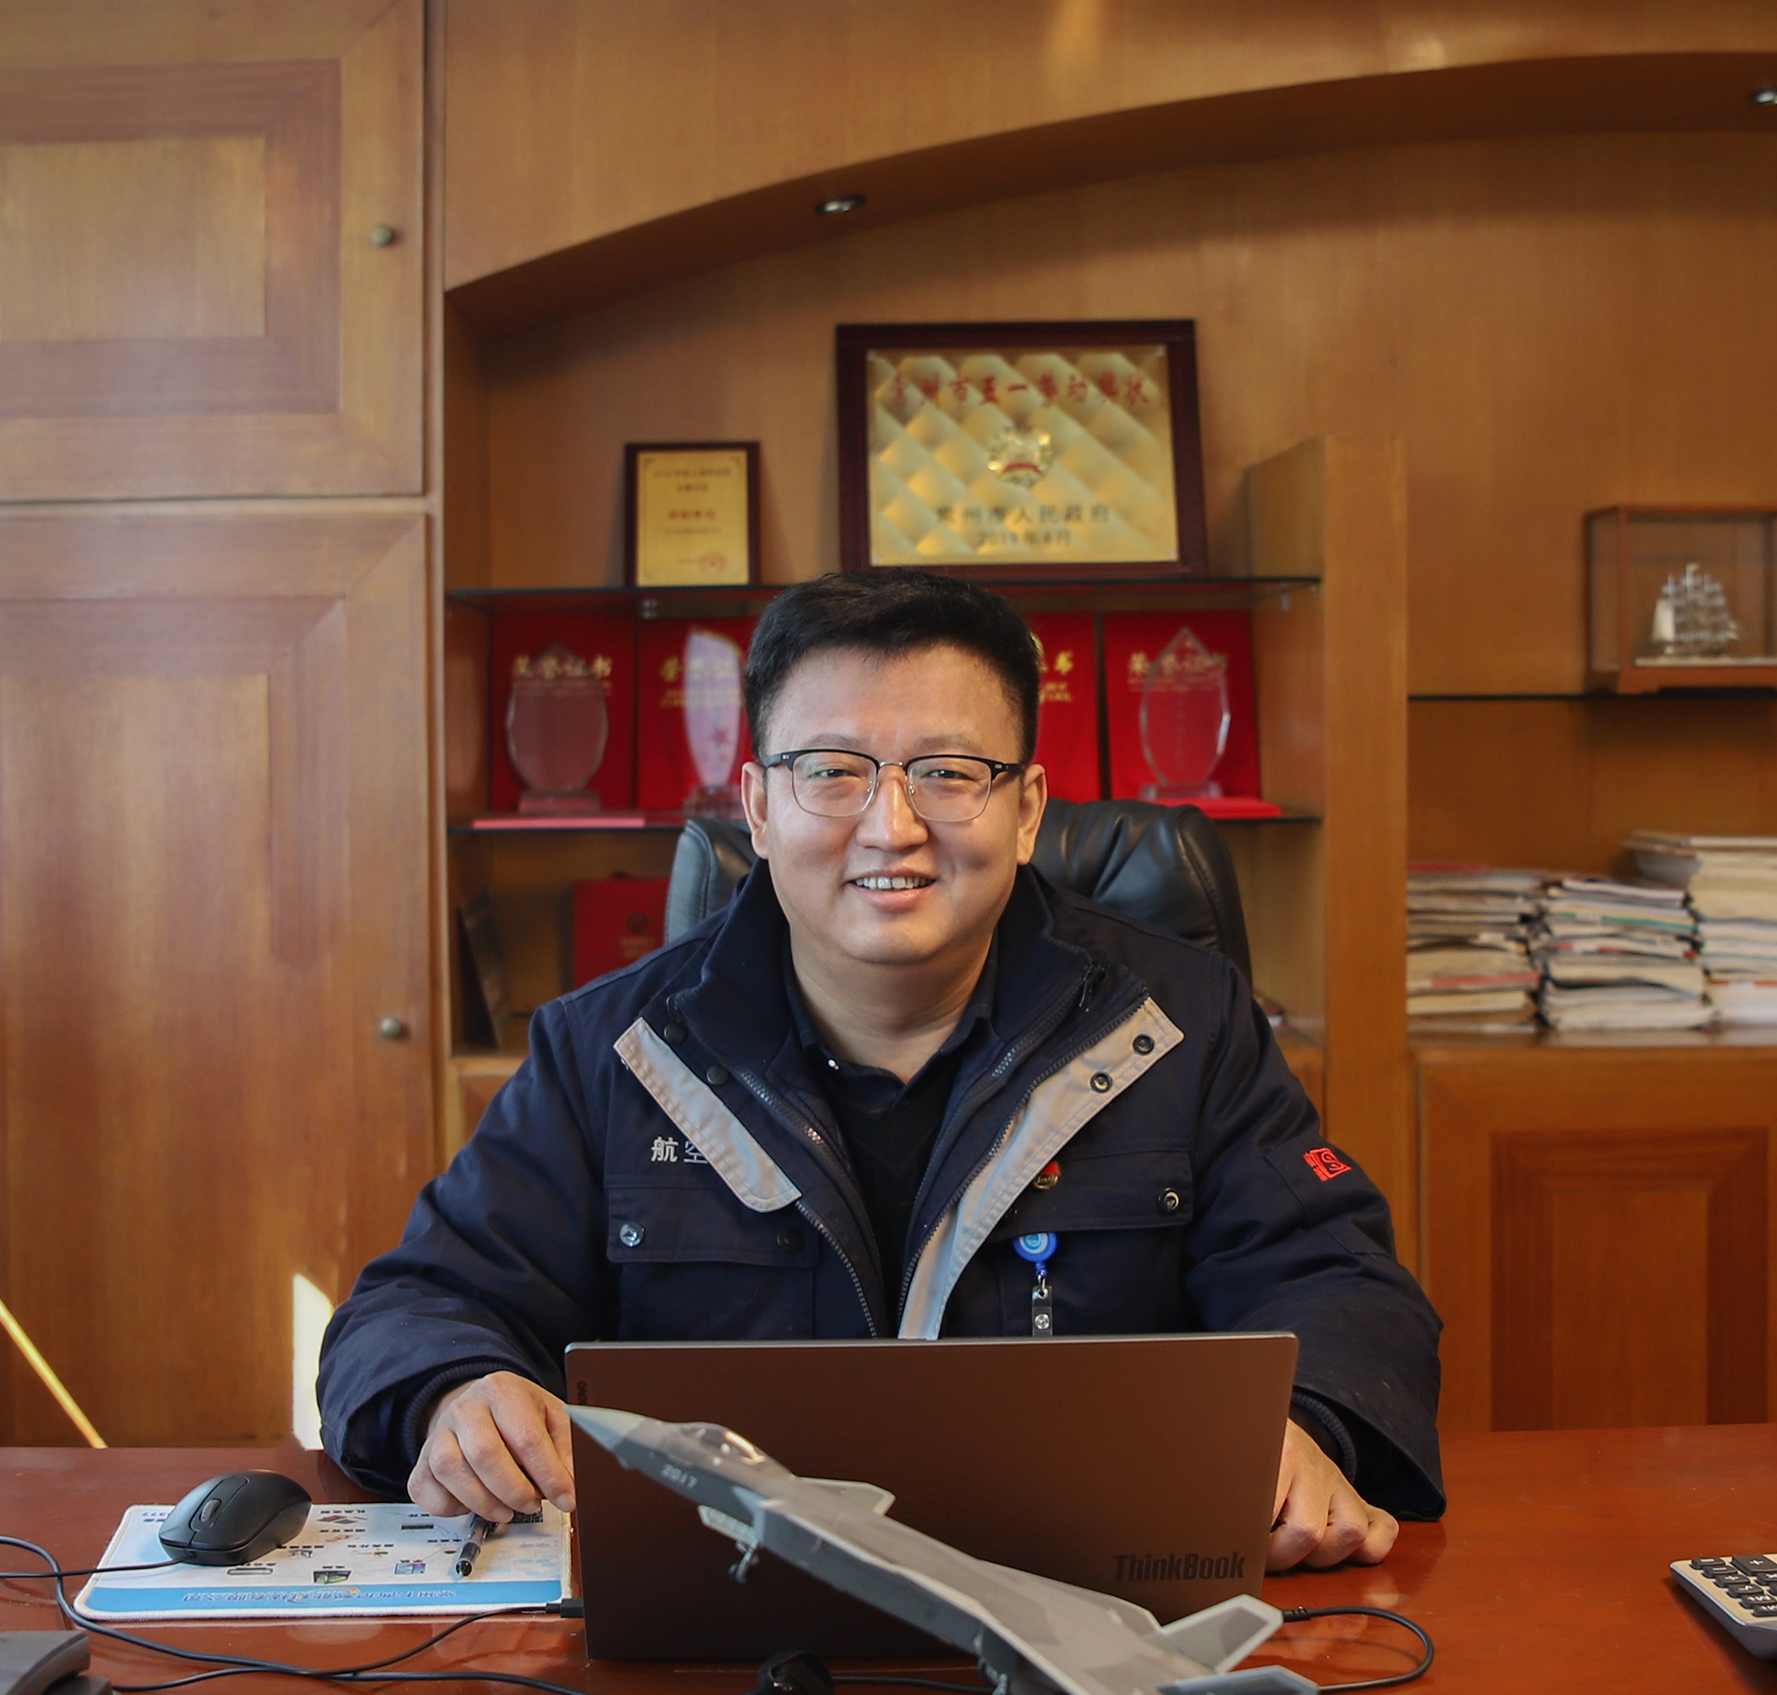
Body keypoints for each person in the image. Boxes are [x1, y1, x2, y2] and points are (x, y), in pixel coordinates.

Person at [318, 569, 1443, 1569]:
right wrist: (453, 1391)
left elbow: (1342, 1285)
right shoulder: (612, 1051)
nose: (891, 826)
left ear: (1027, 811)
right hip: (719, 1629)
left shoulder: (1179, 1025)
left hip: (1095, 1612)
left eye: (949, 772)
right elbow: (415, 1305)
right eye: (833, 772)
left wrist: (1309, 1424)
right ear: (758, 807)